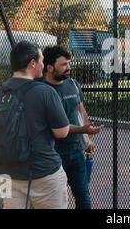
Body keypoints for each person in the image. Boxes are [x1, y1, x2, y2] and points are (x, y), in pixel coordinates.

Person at [0, 41, 71, 209]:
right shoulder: (44, 91)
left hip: (6, 174)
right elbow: (62, 132)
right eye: (41, 60)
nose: (43, 64)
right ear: (32, 63)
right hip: (43, 173)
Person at [43, 45, 103, 209]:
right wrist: (84, 130)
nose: (69, 68)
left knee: (84, 198)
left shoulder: (73, 84)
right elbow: (54, 126)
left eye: (69, 63)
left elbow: (80, 111)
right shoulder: (41, 91)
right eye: (63, 65)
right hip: (53, 155)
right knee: (56, 201)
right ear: (49, 67)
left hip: (76, 152)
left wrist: (87, 139)